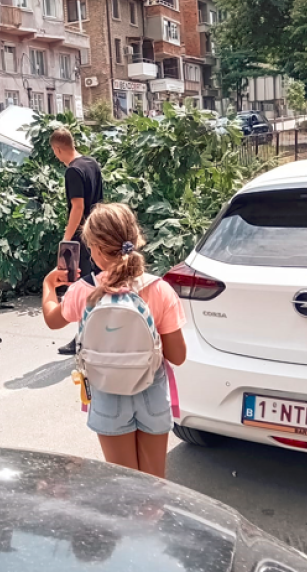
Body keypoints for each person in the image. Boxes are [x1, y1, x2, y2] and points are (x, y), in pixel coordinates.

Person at [41, 203, 187, 478]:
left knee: (125, 486)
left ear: (94, 247)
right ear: (134, 240)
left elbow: (52, 319)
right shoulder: (159, 290)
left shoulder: (82, 290)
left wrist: (49, 286)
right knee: (154, 485)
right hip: (151, 392)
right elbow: (178, 356)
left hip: (107, 394)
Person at [49, 127, 103, 355]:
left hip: (83, 237)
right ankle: (99, 332)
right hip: (100, 230)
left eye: (55, 152)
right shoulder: (92, 163)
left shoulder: (73, 171)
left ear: (58, 149)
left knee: (83, 287)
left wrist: (66, 239)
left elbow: (77, 207)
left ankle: (83, 336)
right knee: (100, 284)